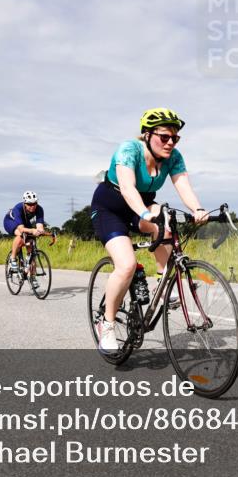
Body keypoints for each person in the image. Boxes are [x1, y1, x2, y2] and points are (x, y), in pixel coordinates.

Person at [90, 108, 209, 353]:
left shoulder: (174, 157)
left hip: (141, 205)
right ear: (146, 134)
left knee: (166, 227)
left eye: (175, 138)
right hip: (110, 208)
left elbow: (183, 185)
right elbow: (127, 188)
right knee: (126, 265)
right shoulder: (128, 150)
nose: (170, 142)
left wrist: (198, 208)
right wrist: (145, 214)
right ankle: (107, 324)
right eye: (164, 137)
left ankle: (161, 286)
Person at [4, 191, 46, 277]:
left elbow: (39, 226)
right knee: (21, 235)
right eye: (30, 204)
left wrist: (40, 231)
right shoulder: (18, 208)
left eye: (34, 203)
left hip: (25, 222)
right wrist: (32, 231)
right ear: (25, 203)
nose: (33, 206)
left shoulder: (39, 209)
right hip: (11, 221)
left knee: (32, 249)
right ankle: (13, 259)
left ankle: (32, 277)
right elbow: (21, 229)